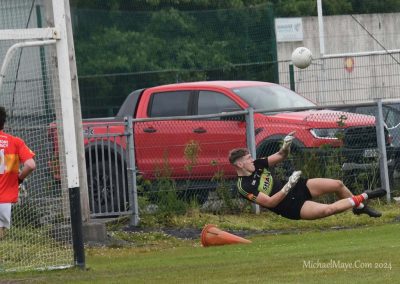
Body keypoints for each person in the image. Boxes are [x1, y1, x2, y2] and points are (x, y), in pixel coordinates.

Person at [228, 131, 386, 221]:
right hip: (289, 207)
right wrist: (288, 185)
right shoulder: (244, 187)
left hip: (296, 187)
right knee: (327, 210)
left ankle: (359, 208)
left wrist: (286, 145)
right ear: (240, 164)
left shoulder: (257, 164)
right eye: (248, 159)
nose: (252, 160)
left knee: (337, 184)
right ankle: (364, 197)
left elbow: (281, 155)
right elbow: (270, 202)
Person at [0, 107, 36, 239]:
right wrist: (19, 179)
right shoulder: (15, 142)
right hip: (4, 201)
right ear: (4, 122)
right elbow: (31, 165)